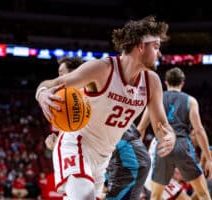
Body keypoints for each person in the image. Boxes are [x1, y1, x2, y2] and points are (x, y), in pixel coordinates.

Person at [35, 15, 176, 200]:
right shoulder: (102, 69)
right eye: (156, 47)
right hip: (77, 144)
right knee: (84, 195)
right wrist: (42, 93)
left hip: (104, 158)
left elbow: (161, 125)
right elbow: (54, 83)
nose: (159, 54)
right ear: (141, 46)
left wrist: (169, 135)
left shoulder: (152, 82)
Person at [45, 57, 151, 199]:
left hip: (109, 152)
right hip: (82, 150)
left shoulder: (94, 88)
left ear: (74, 74)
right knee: (83, 194)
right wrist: (54, 140)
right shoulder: (61, 101)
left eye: (62, 73)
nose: (59, 77)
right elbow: (60, 136)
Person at [137, 67, 212, 200]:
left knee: (155, 196)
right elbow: (199, 130)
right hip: (182, 144)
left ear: (166, 82)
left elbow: (141, 128)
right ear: (182, 83)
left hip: (163, 146)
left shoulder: (155, 99)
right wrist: (208, 158)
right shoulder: (190, 101)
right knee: (203, 194)